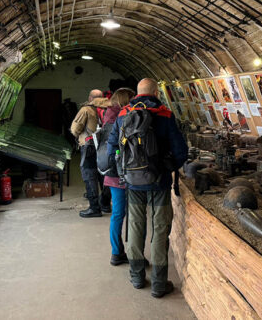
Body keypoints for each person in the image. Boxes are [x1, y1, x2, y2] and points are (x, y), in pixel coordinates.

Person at [107, 78, 188, 298]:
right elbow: (181, 151)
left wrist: (123, 172)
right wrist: (166, 167)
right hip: (159, 182)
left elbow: (112, 146)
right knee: (160, 229)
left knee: (135, 226)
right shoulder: (165, 115)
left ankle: (136, 276)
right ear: (155, 93)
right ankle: (159, 284)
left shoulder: (124, 114)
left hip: (133, 183)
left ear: (137, 94)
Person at [101, 88, 135, 265]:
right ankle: (133, 254)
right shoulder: (122, 116)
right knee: (133, 214)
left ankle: (116, 252)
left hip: (111, 172)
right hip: (123, 172)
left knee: (117, 214)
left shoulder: (108, 114)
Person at [70, 89, 110, 218]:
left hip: (89, 147)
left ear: (90, 97)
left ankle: (94, 208)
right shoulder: (110, 108)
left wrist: (79, 137)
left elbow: (75, 129)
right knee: (104, 175)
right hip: (106, 147)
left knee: (89, 176)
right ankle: (105, 204)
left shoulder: (86, 110)